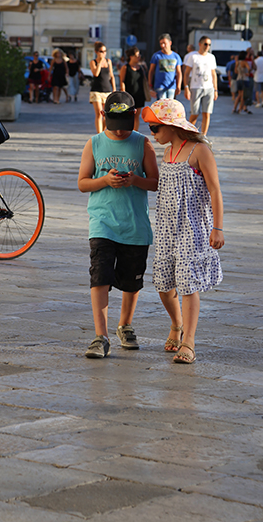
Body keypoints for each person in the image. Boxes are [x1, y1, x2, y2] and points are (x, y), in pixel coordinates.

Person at [142, 99, 224, 364]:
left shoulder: (199, 151)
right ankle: (176, 324)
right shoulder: (166, 153)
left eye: (155, 128)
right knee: (163, 284)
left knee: (188, 283)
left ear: (171, 126)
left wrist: (218, 227)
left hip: (192, 226)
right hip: (166, 227)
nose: (152, 133)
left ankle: (189, 342)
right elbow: (162, 187)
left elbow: (215, 190)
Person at [78, 91, 159, 358]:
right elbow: (83, 183)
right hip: (102, 223)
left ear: (134, 116)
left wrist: (136, 180)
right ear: (104, 116)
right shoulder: (94, 144)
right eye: (115, 125)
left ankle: (125, 325)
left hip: (135, 225)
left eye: (126, 125)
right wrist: (104, 181)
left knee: (131, 281)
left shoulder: (142, 144)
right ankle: (100, 336)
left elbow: (156, 182)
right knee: (99, 277)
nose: (121, 131)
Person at [183, 36, 218, 135]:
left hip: (209, 88)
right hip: (196, 87)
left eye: (209, 45)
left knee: (207, 113)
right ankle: (188, 133)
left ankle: (204, 135)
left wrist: (215, 89)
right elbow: (186, 73)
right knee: (194, 113)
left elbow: (213, 74)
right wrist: (186, 87)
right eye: (205, 44)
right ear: (200, 44)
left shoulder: (211, 57)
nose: (207, 46)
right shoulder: (193, 57)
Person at [119, 46, 148, 131]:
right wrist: (123, 93)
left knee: (136, 116)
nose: (139, 57)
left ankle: (135, 133)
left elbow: (144, 81)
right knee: (128, 115)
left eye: (139, 55)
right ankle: (127, 132)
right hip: (129, 95)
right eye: (137, 55)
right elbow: (122, 81)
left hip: (139, 94)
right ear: (131, 56)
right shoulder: (125, 67)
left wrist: (149, 90)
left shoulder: (141, 68)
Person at [89, 41, 116, 133]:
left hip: (107, 90)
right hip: (96, 91)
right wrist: (100, 62)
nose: (103, 53)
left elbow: (111, 76)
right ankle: (99, 134)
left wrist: (114, 89)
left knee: (106, 114)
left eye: (104, 51)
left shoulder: (109, 61)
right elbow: (96, 73)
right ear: (96, 52)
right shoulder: (93, 62)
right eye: (101, 51)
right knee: (99, 114)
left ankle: (103, 132)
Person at [148, 33, 182, 99]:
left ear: (170, 43)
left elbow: (179, 72)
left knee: (170, 106)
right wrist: (150, 85)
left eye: (164, 43)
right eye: (161, 44)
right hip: (159, 86)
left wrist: (179, 86)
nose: (163, 45)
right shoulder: (156, 56)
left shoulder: (176, 56)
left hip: (171, 86)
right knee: (162, 106)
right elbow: (151, 71)